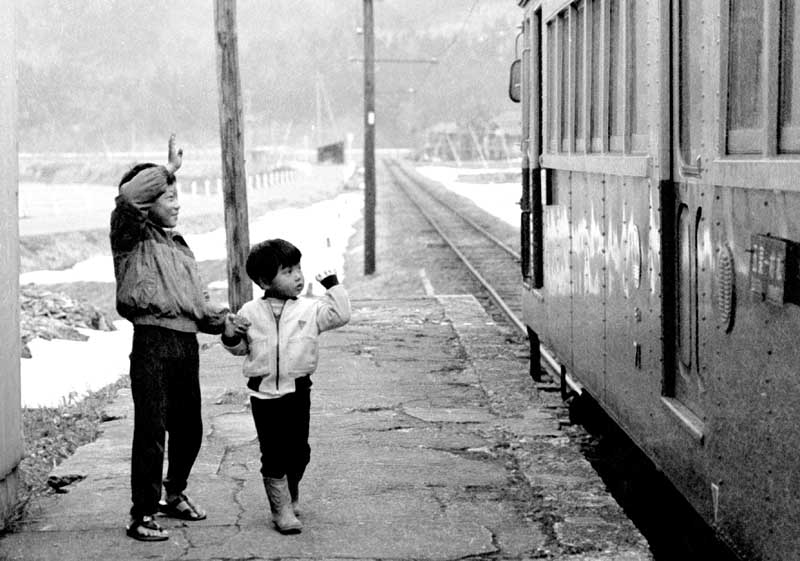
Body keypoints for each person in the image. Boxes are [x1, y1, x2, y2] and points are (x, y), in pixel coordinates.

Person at [111, 135, 228, 541]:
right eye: (168, 195)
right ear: (149, 202)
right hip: (152, 344)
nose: (177, 201)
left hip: (185, 344)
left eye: (178, 195)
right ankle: (141, 514)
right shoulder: (130, 236)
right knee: (151, 429)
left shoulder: (181, 247)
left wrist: (227, 323)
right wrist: (168, 171)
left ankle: (172, 493)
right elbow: (128, 198)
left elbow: (196, 303)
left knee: (189, 427)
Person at [221, 238, 351, 534]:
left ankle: (291, 492)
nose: (298, 276)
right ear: (265, 280)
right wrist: (230, 335)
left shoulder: (310, 309)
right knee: (273, 453)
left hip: (297, 391)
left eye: (298, 268)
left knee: (299, 452)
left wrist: (333, 286)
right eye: (288, 271)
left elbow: (341, 315)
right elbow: (240, 348)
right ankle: (280, 510)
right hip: (263, 396)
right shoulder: (250, 312)